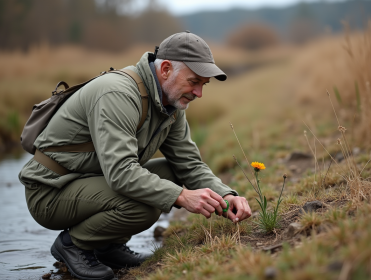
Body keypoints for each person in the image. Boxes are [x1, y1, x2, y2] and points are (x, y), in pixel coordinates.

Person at [19, 31, 252, 280]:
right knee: (148, 206)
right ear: (164, 70)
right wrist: (181, 196)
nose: (199, 93)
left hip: (90, 180)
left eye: (203, 85)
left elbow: (189, 164)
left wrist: (226, 194)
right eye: (194, 81)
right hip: (50, 192)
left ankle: (108, 246)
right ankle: (72, 244)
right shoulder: (117, 94)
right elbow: (121, 173)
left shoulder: (170, 104)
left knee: (173, 174)